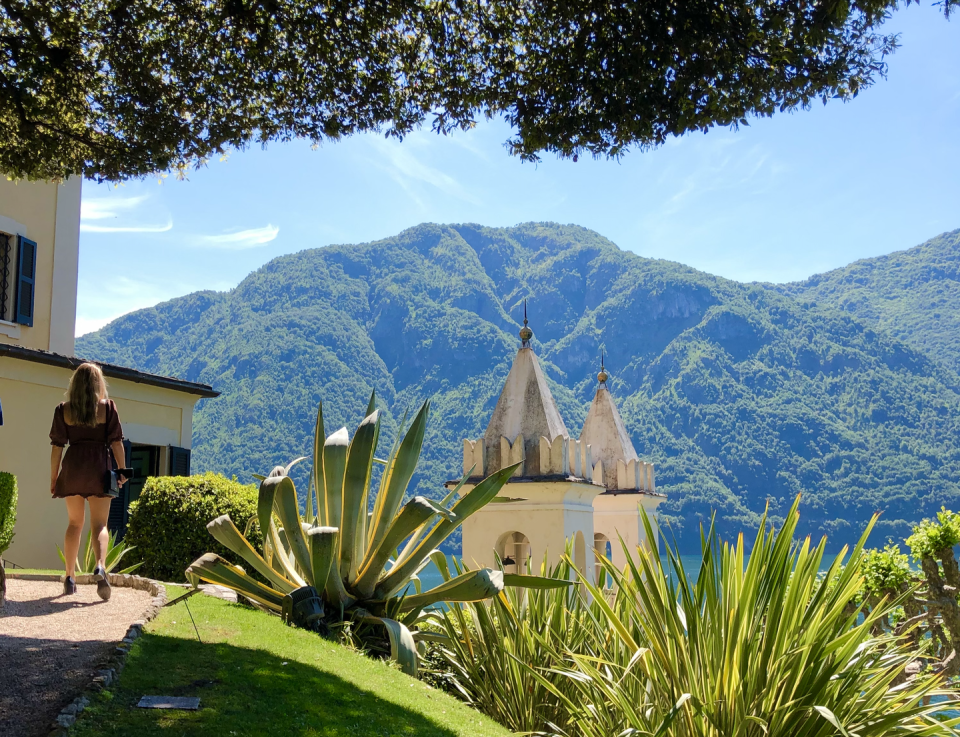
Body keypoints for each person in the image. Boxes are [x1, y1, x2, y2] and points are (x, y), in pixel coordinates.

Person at [49, 363, 127, 599]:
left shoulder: (63, 410)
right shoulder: (108, 408)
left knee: (74, 523)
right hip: (99, 470)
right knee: (100, 525)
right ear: (98, 383)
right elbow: (116, 442)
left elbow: (57, 448)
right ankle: (101, 566)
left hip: (73, 469)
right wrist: (122, 470)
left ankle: (70, 578)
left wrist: (54, 478)